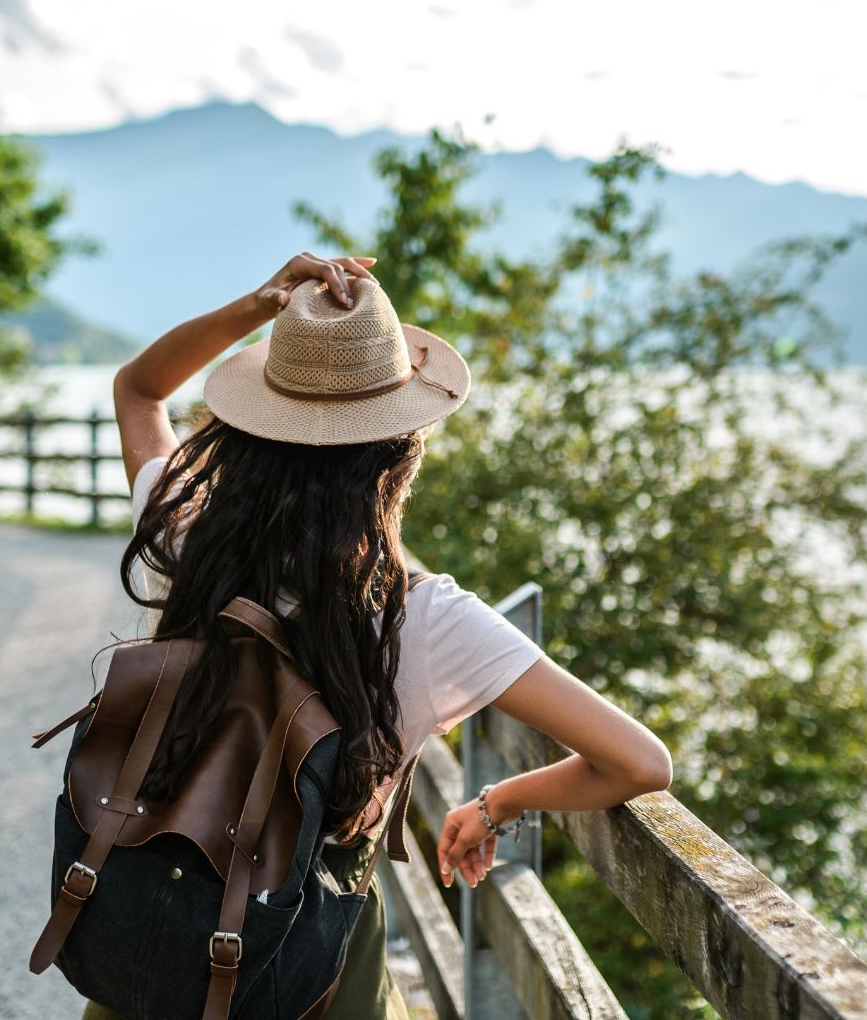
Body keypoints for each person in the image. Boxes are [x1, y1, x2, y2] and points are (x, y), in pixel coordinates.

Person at [90, 251, 672, 1019]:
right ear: (401, 452)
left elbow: (138, 388)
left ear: (249, 429)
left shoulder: (186, 533)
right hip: (313, 970)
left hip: (160, 933)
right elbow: (638, 762)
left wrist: (264, 305)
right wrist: (496, 803)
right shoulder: (427, 618)